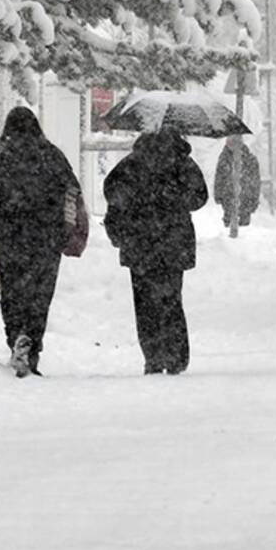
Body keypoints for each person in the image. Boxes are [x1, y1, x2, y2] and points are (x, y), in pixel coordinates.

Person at [0, 106, 81, 378]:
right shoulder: (51, 154)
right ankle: (32, 345)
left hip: (9, 238)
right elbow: (72, 189)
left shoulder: (0, 157)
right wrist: (65, 227)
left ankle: (16, 338)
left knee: (12, 293)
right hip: (46, 238)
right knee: (39, 296)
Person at [104, 128, 208, 375]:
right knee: (171, 299)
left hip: (140, 242)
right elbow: (200, 198)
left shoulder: (132, 163)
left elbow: (111, 191)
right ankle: (176, 356)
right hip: (173, 242)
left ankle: (153, 356)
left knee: (144, 303)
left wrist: (132, 211)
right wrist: (172, 199)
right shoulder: (183, 163)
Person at [213, 136, 261, 228]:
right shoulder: (224, 158)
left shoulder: (250, 159)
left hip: (245, 200)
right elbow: (219, 177)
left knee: (244, 231)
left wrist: (254, 200)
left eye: (234, 141)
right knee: (229, 228)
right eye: (229, 141)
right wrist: (218, 195)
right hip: (228, 199)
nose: (230, 144)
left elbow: (256, 182)